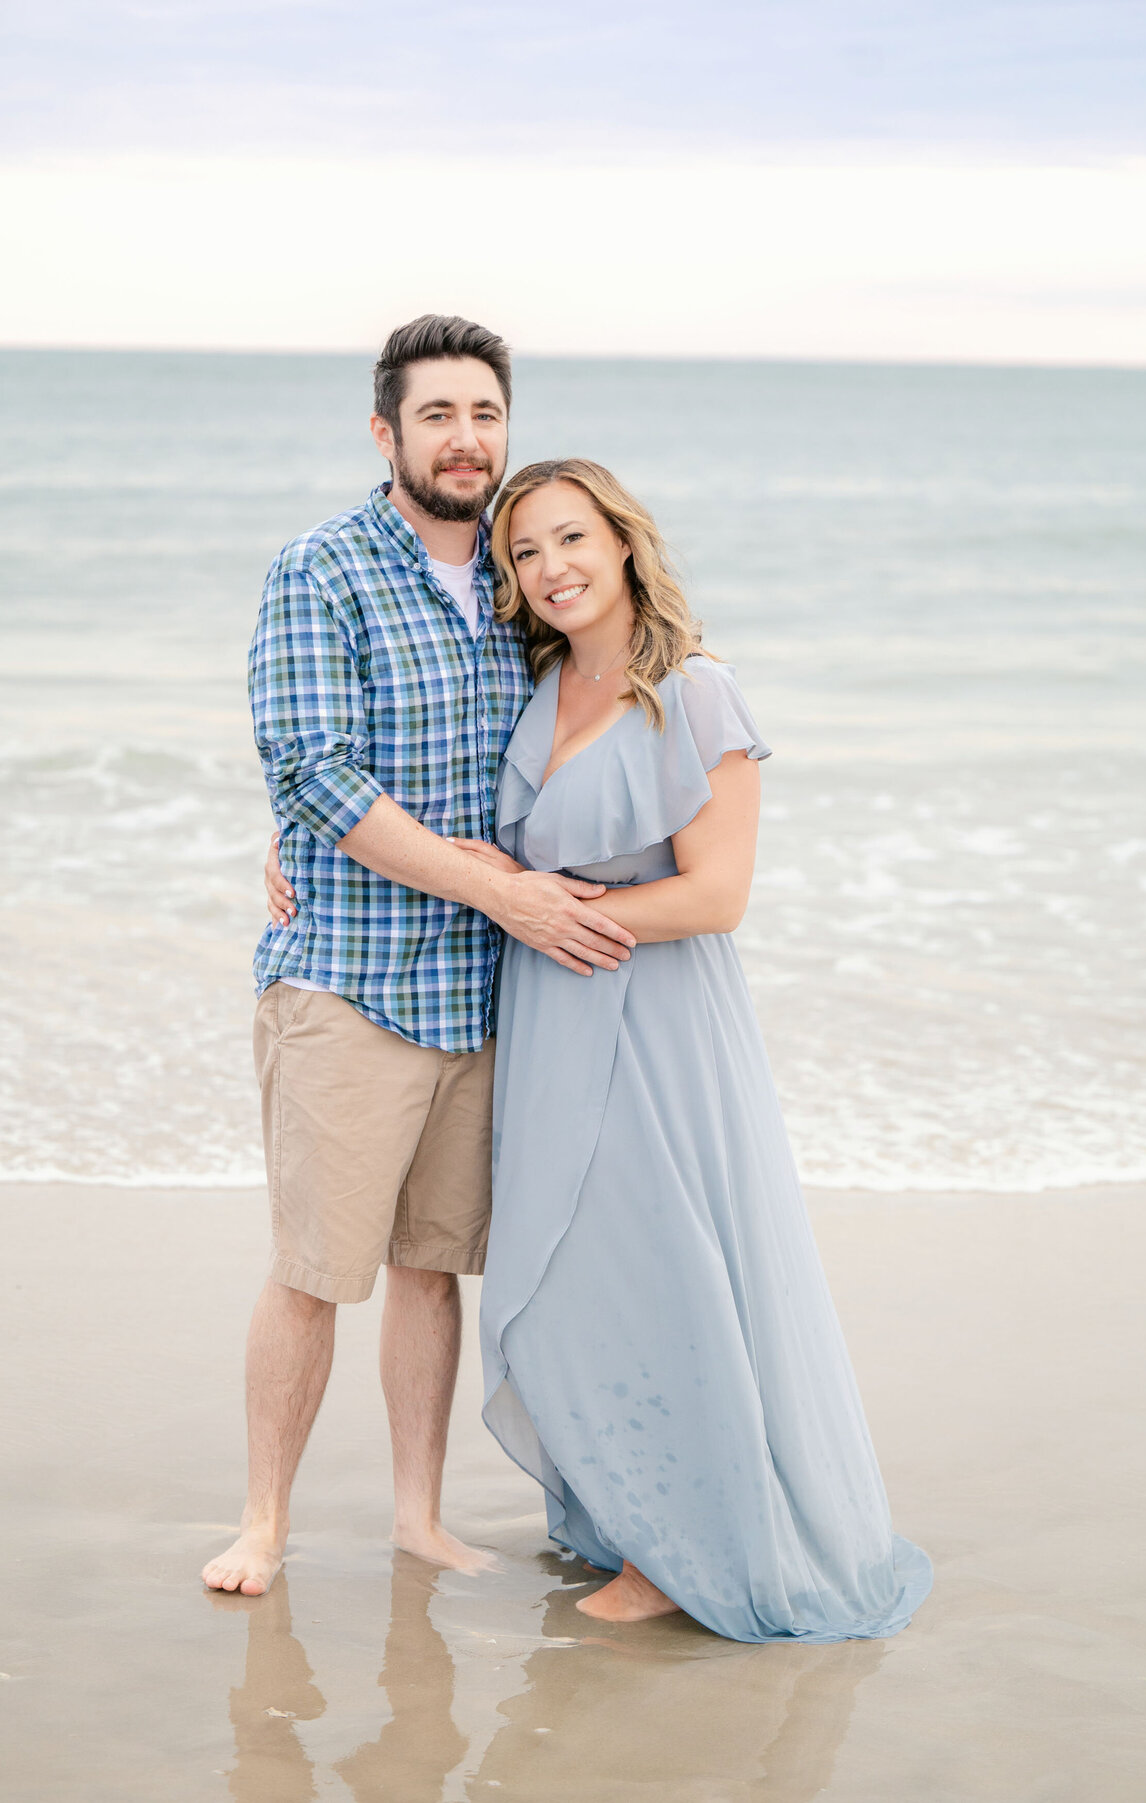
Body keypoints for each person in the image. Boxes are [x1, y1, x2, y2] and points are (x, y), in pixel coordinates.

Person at [450, 458, 934, 1641]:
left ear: (622, 543)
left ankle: (686, 1548)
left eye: (571, 539)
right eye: (524, 553)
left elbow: (718, 895)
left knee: (665, 1269)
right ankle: (627, 1510)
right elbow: (461, 825)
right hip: (552, 1014)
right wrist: (291, 847)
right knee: (570, 1280)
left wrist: (556, 908)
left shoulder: (695, 691)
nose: (551, 567)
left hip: (653, 1016)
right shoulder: (537, 682)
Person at [202, 319, 636, 1598]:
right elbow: (316, 769)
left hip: (487, 997)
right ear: (385, 432)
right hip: (351, 979)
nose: (467, 439)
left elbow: (597, 729)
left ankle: (416, 1514)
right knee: (311, 1272)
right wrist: (497, 891)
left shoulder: (525, 579)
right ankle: (264, 1524)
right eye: (437, 414)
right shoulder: (321, 567)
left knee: (431, 1269)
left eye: (486, 413)